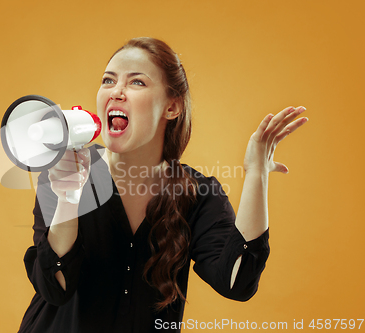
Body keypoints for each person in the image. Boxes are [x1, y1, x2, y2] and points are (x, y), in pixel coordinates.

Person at [16, 37, 308, 333]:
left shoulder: (198, 194)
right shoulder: (63, 173)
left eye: (137, 83)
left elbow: (237, 283)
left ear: (172, 107)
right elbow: (56, 290)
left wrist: (256, 174)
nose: (116, 91)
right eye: (108, 80)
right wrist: (68, 198)